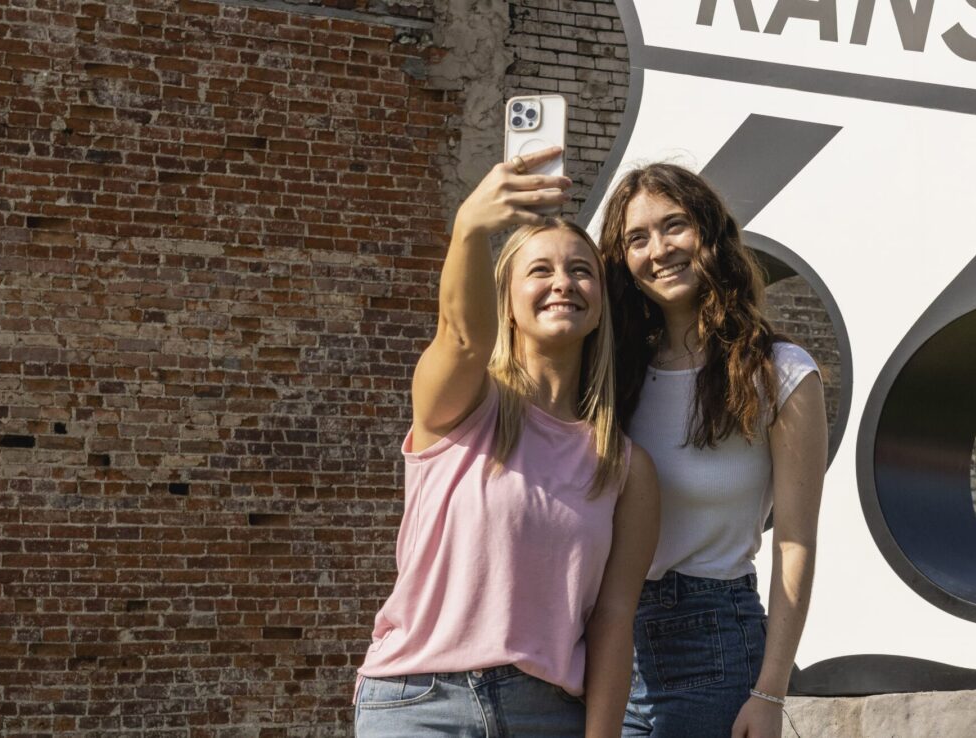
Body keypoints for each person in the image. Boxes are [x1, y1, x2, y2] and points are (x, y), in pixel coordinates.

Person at [354, 147, 659, 738]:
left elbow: (614, 621)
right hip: (420, 703)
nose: (562, 283)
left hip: (548, 714)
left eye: (580, 270)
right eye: (539, 270)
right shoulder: (465, 406)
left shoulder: (626, 467)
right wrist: (470, 226)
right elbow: (462, 339)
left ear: (599, 305)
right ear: (508, 303)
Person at [599, 163, 829, 738]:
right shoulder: (611, 376)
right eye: (636, 238)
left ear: (709, 231)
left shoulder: (778, 372)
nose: (659, 249)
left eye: (674, 226)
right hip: (604, 640)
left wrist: (770, 691)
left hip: (713, 644)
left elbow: (796, 542)